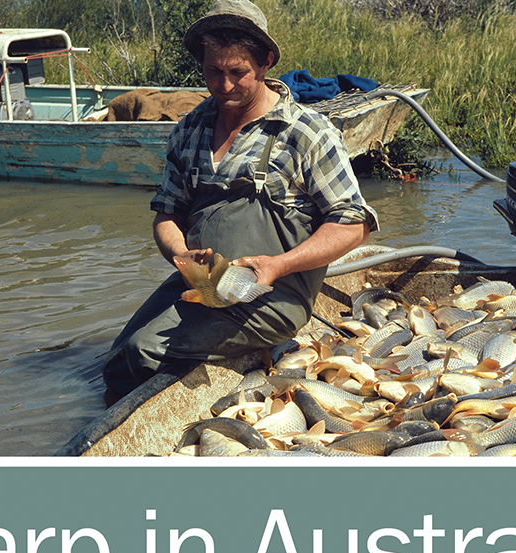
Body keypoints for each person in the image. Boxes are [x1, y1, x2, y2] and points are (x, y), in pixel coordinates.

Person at [101, 0, 378, 401]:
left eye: (238, 73)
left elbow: (354, 224)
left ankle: (264, 348)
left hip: (272, 295)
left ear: (265, 63)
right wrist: (181, 255)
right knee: (114, 361)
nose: (225, 85)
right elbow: (167, 213)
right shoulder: (190, 129)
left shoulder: (305, 132)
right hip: (205, 281)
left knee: (141, 354)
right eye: (214, 71)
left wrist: (278, 265)